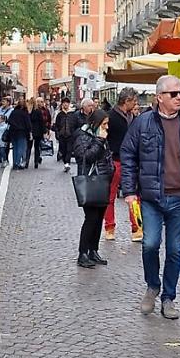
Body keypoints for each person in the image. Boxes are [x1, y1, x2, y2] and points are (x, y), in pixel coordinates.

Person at [121, 75, 180, 320]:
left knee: (174, 249)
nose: (179, 97)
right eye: (173, 93)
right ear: (159, 97)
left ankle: (168, 297)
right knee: (150, 244)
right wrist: (129, 191)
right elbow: (128, 155)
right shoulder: (142, 123)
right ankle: (152, 285)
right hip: (151, 197)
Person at [73, 109, 114, 268]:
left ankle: (93, 250)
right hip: (91, 181)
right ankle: (82, 253)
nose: (107, 127)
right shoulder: (82, 135)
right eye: (104, 124)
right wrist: (98, 140)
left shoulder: (101, 135)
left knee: (98, 218)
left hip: (103, 180)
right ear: (95, 124)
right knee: (91, 219)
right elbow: (85, 156)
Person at [104, 88, 141, 242]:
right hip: (115, 160)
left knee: (134, 196)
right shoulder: (111, 117)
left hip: (130, 161)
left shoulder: (133, 117)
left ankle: (137, 227)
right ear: (126, 101)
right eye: (134, 101)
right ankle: (109, 227)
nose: (136, 104)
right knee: (110, 196)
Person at [53, 98, 77, 173]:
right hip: (62, 135)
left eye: (67, 102)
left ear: (69, 104)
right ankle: (65, 162)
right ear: (62, 104)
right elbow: (56, 125)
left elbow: (75, 124)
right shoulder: (60, 114)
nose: (66, 104)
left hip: (70, 135)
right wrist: (57, 133)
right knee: (62, 150)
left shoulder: (72, 114)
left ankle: (67, 163)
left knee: (69, 150)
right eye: (64, 103)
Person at [7, 100, 32, 169]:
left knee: (15, 148)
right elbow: (28, 124)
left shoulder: (14, 112)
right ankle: (18, 163)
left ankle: (15, 162)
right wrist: (30, 132)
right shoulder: (24, 113)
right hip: (22, 132)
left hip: (13, 132)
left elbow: (9, 121)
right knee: (21, 147)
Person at [29, 97, 52, 168]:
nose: (42, 103)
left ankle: (37, 158)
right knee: (34, 146)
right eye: (40, 102)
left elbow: (48, 119)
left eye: (42, 101)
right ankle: (31, 160)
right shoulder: (34, 110)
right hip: (36, 130)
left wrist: (48, 130)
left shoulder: (46, 110)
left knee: (38, 145)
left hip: (42, 129)